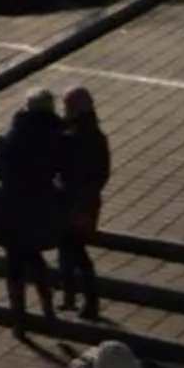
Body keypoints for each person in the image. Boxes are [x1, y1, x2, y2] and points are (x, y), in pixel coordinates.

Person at [0, 87, 71, 328]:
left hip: (12, 203)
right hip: (40, 202)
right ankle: (47, 309)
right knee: (35, 256)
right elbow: (62, 167)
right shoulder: (56, 133)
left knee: (14, 261)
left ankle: (18, 317)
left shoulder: (16, 133)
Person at [60, 87, 112, 323]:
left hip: (77, 203)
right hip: (85, 201)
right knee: (68, 248)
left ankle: (89, 301)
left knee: (76, 251)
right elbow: (103, 172)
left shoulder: (76, 136)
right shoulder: (94, 135)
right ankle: (71, 296)